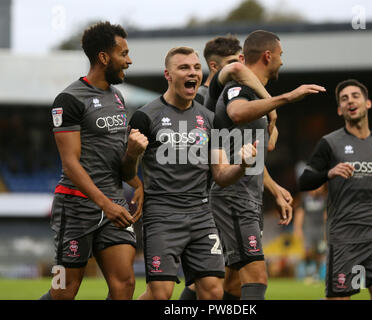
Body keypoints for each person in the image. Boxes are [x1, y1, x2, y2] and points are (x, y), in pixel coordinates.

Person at [129, 46, 257, 300]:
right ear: (168, 74)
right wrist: (132, 154)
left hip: (200, 214)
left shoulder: (211, 120)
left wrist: (242, 165)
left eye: (197, 68)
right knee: (160, 294)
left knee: (213, 291)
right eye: (184, 67)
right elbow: (125, 171)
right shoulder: (145, 116)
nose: (193, 73)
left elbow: (220, 175)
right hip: (162, 215)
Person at [210, 30, 325, 300]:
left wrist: (274, 189)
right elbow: (236, 113)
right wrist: (285, 99)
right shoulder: (240, 89)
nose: (282, 62)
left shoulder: (255, 97)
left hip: (245, 194)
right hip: (234, 196)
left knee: (233, 283)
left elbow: (253, 156)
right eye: (281, 56)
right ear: (268, 55)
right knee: (257, 277)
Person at [39, 21, 148, 300]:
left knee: (124, 285)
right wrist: (105, 204)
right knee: (65, 289)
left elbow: (113, 156)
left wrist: (136, 179)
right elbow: (70, 163)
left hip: (114, 204)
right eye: (123, 53)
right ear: (104, 57)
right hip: (76, 207)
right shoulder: (69, 99)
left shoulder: (118, 97)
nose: (129, 60)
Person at [299, 79, 372, 300]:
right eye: (344, 99)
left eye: (355, 96)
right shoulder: (329, 143)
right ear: (339, 109)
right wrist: (329, 173)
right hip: (343, 232)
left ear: (368, 103)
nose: (350, 101)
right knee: (340, 297)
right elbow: (304, 181)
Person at [194, 35, 242, 108]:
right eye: (232, 62)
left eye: (241, 61)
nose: (239, 66)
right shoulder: (198, 97)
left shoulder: (239, 91)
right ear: (214, 66)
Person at [294, 184, 327, 283]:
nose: (319, 189)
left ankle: (315, 274)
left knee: (319, 252)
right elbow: (300, 213)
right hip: (308, 229)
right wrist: (298, 228)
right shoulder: (304, 199)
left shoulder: (324, 199)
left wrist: (327, 230)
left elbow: (326, 215)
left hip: (320, 229)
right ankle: (308, 272)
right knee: (307, 251)